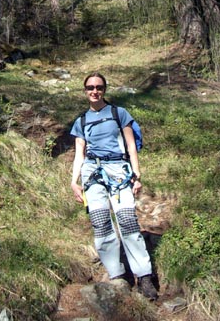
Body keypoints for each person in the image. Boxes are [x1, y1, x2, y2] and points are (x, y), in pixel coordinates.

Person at [70, 72, 158, 301]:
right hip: (92, 175)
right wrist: (74, 181)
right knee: (100, 224)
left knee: (128, 220)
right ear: (85, 90)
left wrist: (136, 175)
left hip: (119, 171)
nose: (94, 91)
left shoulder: (119, 114)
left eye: (99, 87)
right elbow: (79, 154)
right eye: (90, 87)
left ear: (105, 89)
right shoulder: (80, 121)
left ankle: (144, 276)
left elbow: (131, 145)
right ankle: (117, 274)